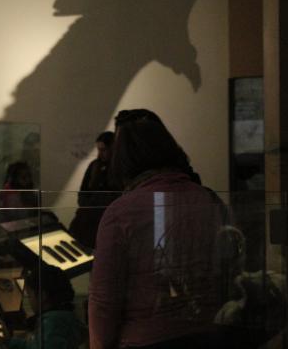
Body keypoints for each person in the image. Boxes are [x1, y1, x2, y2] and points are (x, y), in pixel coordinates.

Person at [89, 110, 226, 349]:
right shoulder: (208, 199)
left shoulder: (121, 212)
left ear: (124, 158)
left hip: (145, 338)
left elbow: (104, 299)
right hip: (207, 333)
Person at [8, 264, 87, 349]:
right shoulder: (66, 318)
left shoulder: (51, 324)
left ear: (42, 296)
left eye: (30, 295)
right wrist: (12, 342)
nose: (29, 300)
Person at [70, 131, 117, 248]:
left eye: (103, 150)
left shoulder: (117, 168)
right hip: (88, 217)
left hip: (106, 218)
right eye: (99, 150)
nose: (100, 154)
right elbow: (83, 191)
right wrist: (86, 205)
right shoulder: (94, 166)